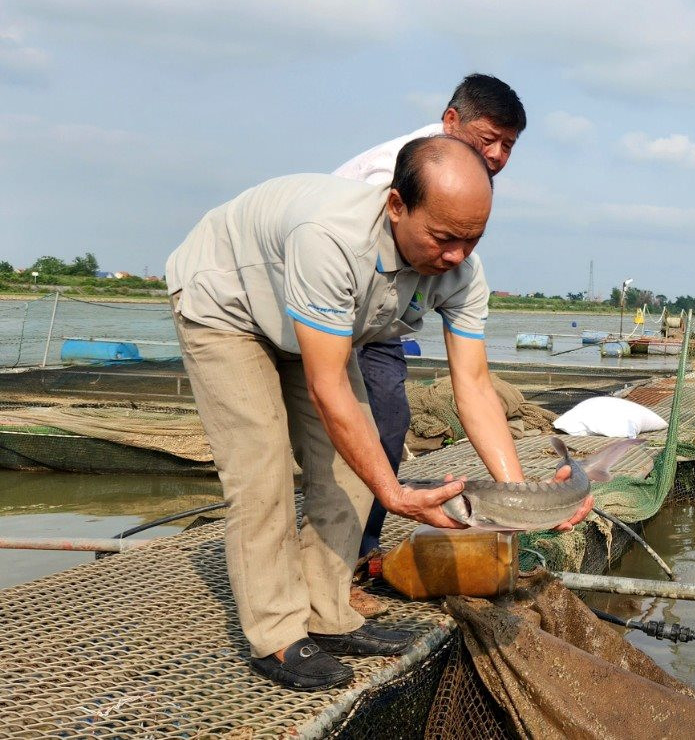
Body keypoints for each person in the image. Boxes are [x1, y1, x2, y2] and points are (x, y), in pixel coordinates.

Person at [166, 136, 588, 691]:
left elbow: (476, 386)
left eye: (472, 239)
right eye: (442, 238)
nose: (456, 255)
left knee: (350, 471)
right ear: (396, 206)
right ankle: (275, 634)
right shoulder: (332, 239)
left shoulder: (462, 269)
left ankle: (327, 611)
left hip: (315, 327)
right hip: (230, 306)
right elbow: (326, 387)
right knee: (261, 469)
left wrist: (518, 500)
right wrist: (396, 493)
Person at [332, 75, 525, 617]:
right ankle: (325, 577)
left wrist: (518, 498)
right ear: (450, 122)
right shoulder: (388, 177)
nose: (497, 155)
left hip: (383, 316)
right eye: (488, 138)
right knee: (338, 437)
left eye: (508, 145)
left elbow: (475, 383)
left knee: (389, 425)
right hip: (326, 305)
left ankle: (357, 557)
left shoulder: (467, 195)